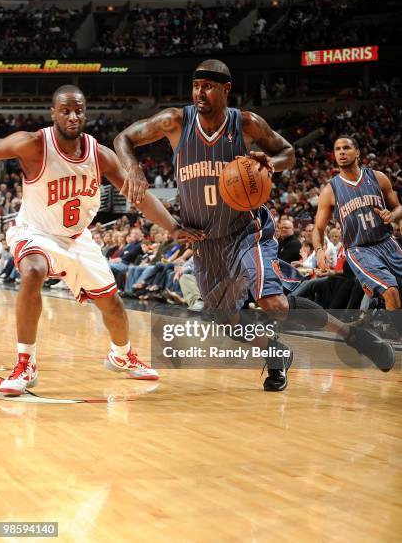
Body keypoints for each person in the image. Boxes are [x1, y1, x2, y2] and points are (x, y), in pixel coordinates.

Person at [114, 60, 395, 391]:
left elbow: (288, 153)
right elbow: (123, 139)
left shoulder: (245, 123)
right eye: (195, 86)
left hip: (248, 231)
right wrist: (132, 169)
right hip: (206, 239)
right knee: (226, 321)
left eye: (207, 86)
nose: (199, 92)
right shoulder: (175, 121)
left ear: (225, 89)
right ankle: (275, 352)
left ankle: (355, 337)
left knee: (274, 304)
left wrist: (269, 164)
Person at [0, 85, 203, 395]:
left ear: (85, 113)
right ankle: (26, 363)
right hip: (35, 231)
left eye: (78, 110)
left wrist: (173, 227)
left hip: (78, 238)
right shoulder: (34, 145)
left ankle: (122, 356)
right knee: (33, 270)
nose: (72, 116)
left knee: (114, 306)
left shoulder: (100, 155)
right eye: (65, 110)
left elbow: (138, 196)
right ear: (53, 113)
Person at [313, 136, 402, 310]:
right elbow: (318, 228)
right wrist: (319, 251)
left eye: (346, 148)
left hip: (387, 242)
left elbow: (399, 208)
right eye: (337, 149)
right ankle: (396, 337)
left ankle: (379, 316)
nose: (341, 152)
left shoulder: (378, 177)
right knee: (390, 291)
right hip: (359, 249)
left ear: (358, 153)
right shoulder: (330, 190)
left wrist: (391, 216)